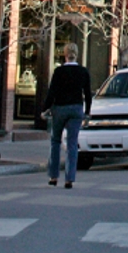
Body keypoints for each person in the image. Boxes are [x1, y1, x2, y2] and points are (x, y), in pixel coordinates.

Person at [42, 43, 93, 189]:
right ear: (77, 54)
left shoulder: (59, 71)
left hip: (60, 108)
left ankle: (53, 176)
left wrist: (44, 109)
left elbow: (52, 92)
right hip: (76, 108)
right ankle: (69, 179)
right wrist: (87, 112)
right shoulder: (83, 71)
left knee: (55, 141)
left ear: (64, 55)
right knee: (72, 143)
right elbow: (88, 94)